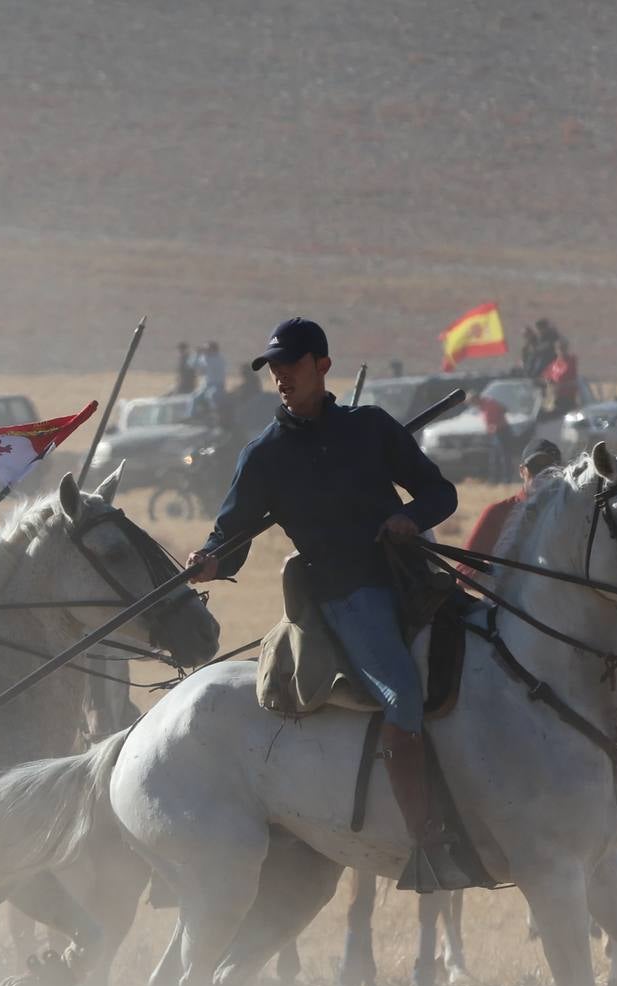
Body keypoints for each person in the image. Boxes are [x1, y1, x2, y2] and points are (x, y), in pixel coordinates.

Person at [187, 317, 479, 891]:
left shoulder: (371, 428)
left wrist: (409, 517)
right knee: (404, 692)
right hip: (347, 594)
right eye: (274, 370)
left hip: (411, 577)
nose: (280, 379)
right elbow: (231, 537)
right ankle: (426, 844)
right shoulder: (264, 456)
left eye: (290, 367)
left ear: (321, 366)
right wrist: (210, 559)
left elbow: (439, 492)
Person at [463, 440, 565, 560]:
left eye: (550, 469)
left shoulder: (567, 515)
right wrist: (492, 567)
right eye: (535, 467)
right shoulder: (498, 513)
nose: (542, 474)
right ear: (522, 471)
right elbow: (464, 568)